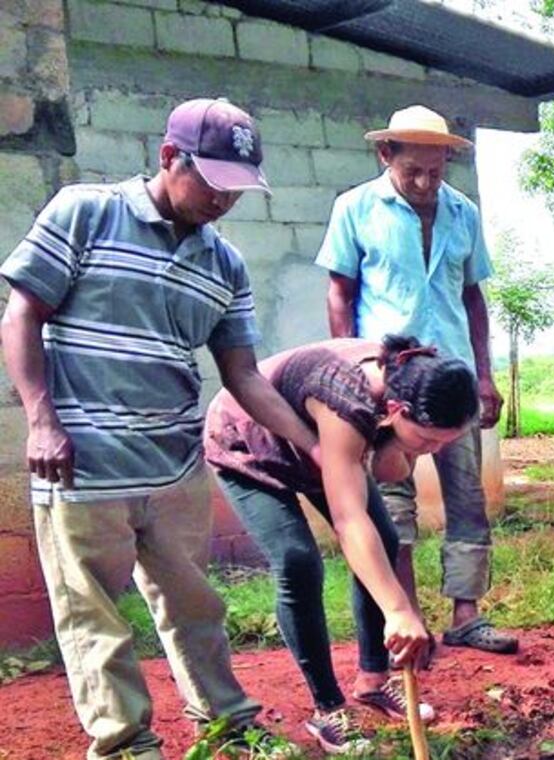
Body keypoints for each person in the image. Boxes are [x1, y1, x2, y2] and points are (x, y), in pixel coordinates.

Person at [0, 98, 319, 760]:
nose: (223, 202)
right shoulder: (86, 212)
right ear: (169, 157)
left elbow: (246, 377)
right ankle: (126, 745)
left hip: (174, 467)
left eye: (237, 189)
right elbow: (20, 316)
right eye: (213, 183)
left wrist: (313, 446)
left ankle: (228, 723)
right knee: (94, 618)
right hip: (81, 466)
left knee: (196, 607)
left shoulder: (224, 264)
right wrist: (40, 421)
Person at [315, 104, 517, 654]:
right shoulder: (354, 208)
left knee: (466, 496)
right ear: (387, 155)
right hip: (391, 382)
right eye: (414, 172)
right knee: (392, 499)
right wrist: (351, 369)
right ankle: (406, 618)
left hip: (452, 380)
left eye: (437, 171)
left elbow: (473, 297)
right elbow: (341, 294)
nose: (427, 183)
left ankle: (467, 615)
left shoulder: (462, 212)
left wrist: (484, 375)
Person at [204, 335, 470, 753]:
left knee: (382, 538)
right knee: (298, 561)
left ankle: (372, 682)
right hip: (250, 446)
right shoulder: (345, 402)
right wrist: (398, 610)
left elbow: (386, 470)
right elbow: (349, 520)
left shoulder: (410, 379)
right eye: (428, 439)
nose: (433, 450)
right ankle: (327, 707)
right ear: (397, 411)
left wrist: (401, 441)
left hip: (321, 448)